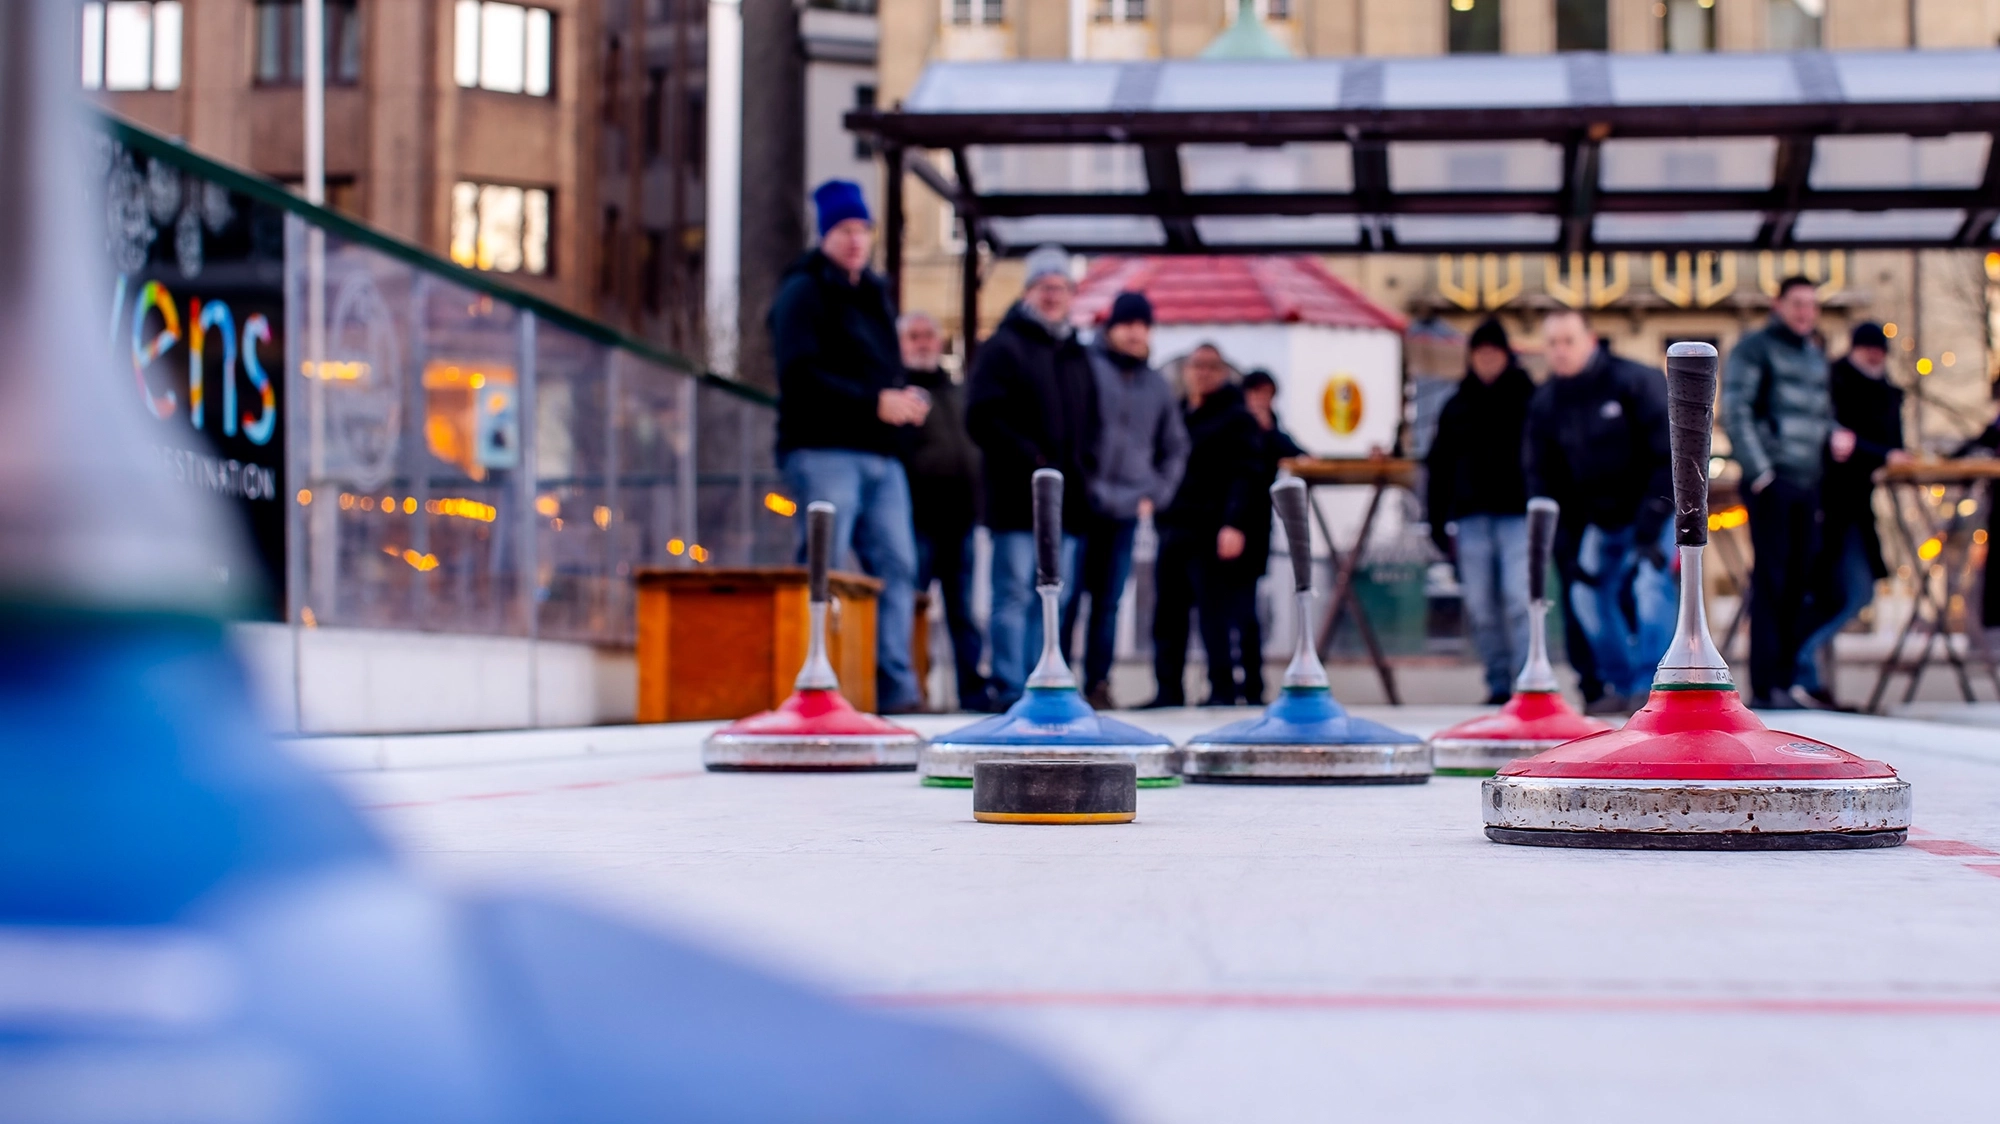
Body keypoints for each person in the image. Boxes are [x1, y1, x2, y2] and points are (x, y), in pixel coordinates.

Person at [768, 179, 930, 713]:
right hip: (823, 449)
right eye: (845, 230)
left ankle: (896, 690)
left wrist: (899, 399)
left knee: (899, 566)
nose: (856, 240)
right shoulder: (803, 293)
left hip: (881, 454)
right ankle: (811, 680)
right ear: (826, 235)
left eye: (863, 229)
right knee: (825, 565)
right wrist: (872, 402)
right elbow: (800, 376)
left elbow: (882, 370)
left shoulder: (875, 294)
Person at [965, 244, 1101, 709]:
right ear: (1028, 292)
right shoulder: (1003, 348)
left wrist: (1082, 473)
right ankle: (1009, 686)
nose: (1053, 295)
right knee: (1014, 595)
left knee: (1054, 602)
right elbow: (982, 418)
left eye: (1061, 287)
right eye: (1045, 287)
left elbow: (1092, 426)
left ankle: (1043, 683)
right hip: (1016, 501)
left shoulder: (1076, 355)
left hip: (1069, 506)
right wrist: (1033, 459)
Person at [1524, 310, 1674, 714]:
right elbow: (1541, 474)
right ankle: (1619, 683)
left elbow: (1670, 455)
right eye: (1552, 343)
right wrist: (1564, 540)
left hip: (1653, 510)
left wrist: (1652, 524)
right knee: (1586, 594)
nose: (1559, 351)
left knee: (1650, 587)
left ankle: (1654, 687)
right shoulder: (1547, 400)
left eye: (1567, 341)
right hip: (1599, 520)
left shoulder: (1634, 382)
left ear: (1589, 340)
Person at [1060, 291, 1188, 710]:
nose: (1136, 333)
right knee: (1065, 595)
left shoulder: (1157, 385)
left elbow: (1175, 446)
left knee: (1108, 603)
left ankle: (1098, 684)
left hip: (1128, 510)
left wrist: (1156, 493)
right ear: (1111, 327)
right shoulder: (1086, 368)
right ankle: (1057, 681)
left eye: (1143, 326)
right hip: (1082, 503)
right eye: (1128, 324)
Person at [1720, 275, 1838, 709]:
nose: (1806, 312)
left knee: (1799, 581)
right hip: (1773, 482)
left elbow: (1819, 415)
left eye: (1812, 304)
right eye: (1798, 304)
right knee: (1772, 581)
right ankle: (1766, 685)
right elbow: (1736, 409)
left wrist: (1835, 434)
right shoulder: (1755, 347)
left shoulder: (1813, 353)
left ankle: (1786, 682)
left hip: (1807, 483)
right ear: (1778, 304)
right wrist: (1762, 472)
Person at [1796, 322, 1909, 707]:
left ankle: (1805, 667)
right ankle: (1803, 665)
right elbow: (1844, 445)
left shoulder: (1884, 391)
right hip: (1833, 506)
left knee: (1845, 591)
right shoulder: (1835, 385)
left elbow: (1889, 445)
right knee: (1844, 590)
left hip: (1854, 506)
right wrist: (1877, 454)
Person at [1427, 317, 1536, 704]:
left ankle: (1528, 684)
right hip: (1471, 518)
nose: (1487, 360)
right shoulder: (1456, 405)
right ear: (1471, 357)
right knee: (1480, 606)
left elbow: (1548, 458)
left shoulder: (1529, 400)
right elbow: (1438, 467)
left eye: (1494, 352)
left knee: (1519, 599)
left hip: (1519, 517)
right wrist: (1436, 522)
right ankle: (1498, 682)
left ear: (1506, 355)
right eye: (1480, 353)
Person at [1148, 344, 1262, 707]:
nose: (1203, 373)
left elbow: (1246, 474)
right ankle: (1168, 689)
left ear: (1223, 372)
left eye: (1211, 367)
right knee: (1167, 614)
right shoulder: (1178, 413)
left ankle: (1222, 688)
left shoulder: (1237, 417)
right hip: (1173, 525)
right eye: (1197, 366)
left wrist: (1234, 524)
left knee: (1214, 615)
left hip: (1210, 529)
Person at [900, 309, 989, 711]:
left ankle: (972, 691)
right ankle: (909, 689)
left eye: (929, 335)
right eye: (914, 335)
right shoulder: (898, 393)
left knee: (962, 614)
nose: (923, 342)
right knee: (909, 611)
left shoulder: (956, 391)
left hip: (960, 521)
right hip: (916, 521)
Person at [1238, 368, 1306, 699]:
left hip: (1255, 526)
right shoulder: (1234, 426)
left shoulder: (1273, 431)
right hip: (1226, 523)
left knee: (1247, 607)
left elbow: (1301, 455)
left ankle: (1253, 682)